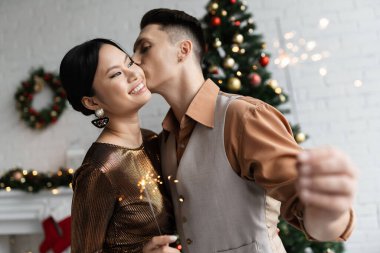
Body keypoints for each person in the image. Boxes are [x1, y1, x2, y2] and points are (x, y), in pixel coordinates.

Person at [132, 8, 357, 253]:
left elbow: (314, 218)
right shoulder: (165, 140)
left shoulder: (244, 117)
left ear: (183, 51)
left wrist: (332, 211)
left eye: (144, 47)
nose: (134, 60)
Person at [59, 38, 181, 253]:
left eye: (130, 63)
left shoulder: (152, 140)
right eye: (116, 74)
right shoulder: (99, 169)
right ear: (92, 102)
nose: (133, 74)